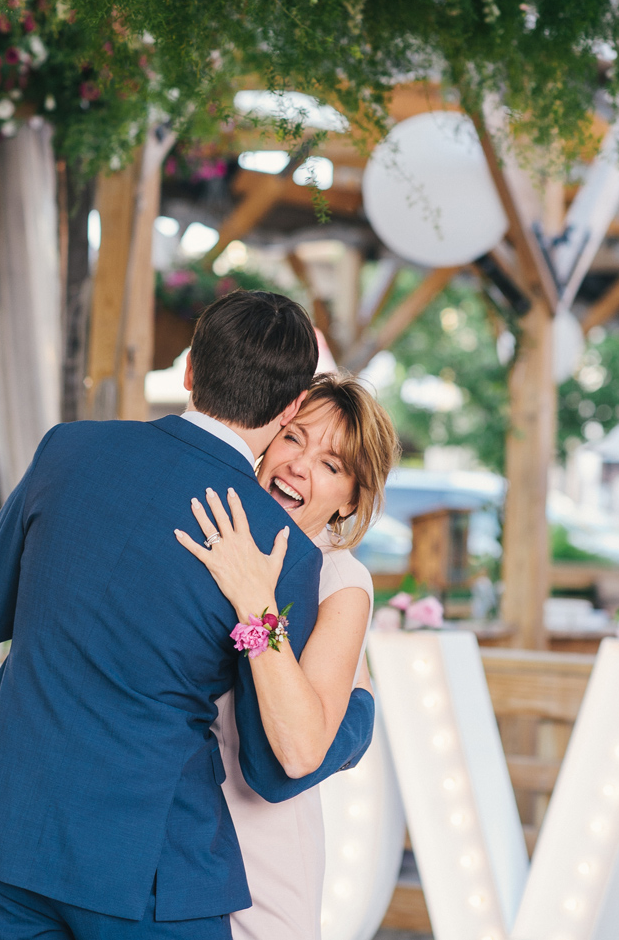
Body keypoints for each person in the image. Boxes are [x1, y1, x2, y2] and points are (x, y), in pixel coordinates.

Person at [0, 291, 376, 940]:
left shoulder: (66, 449)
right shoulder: (274, 544)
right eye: (299, 438)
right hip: (144, 865)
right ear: (289, 406)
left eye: (332, 464)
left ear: (188, 370)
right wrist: (358, 717)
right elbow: (274, 766)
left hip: (9, 825)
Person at [176, 373, 397, 940]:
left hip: (264, 861)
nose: (301, 465)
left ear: (351, 498)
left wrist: (257, 605)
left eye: (332, 464)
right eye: (295, 438)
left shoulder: (340, 581)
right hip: (176, 844)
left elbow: (298, 751)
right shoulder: (210, 529)